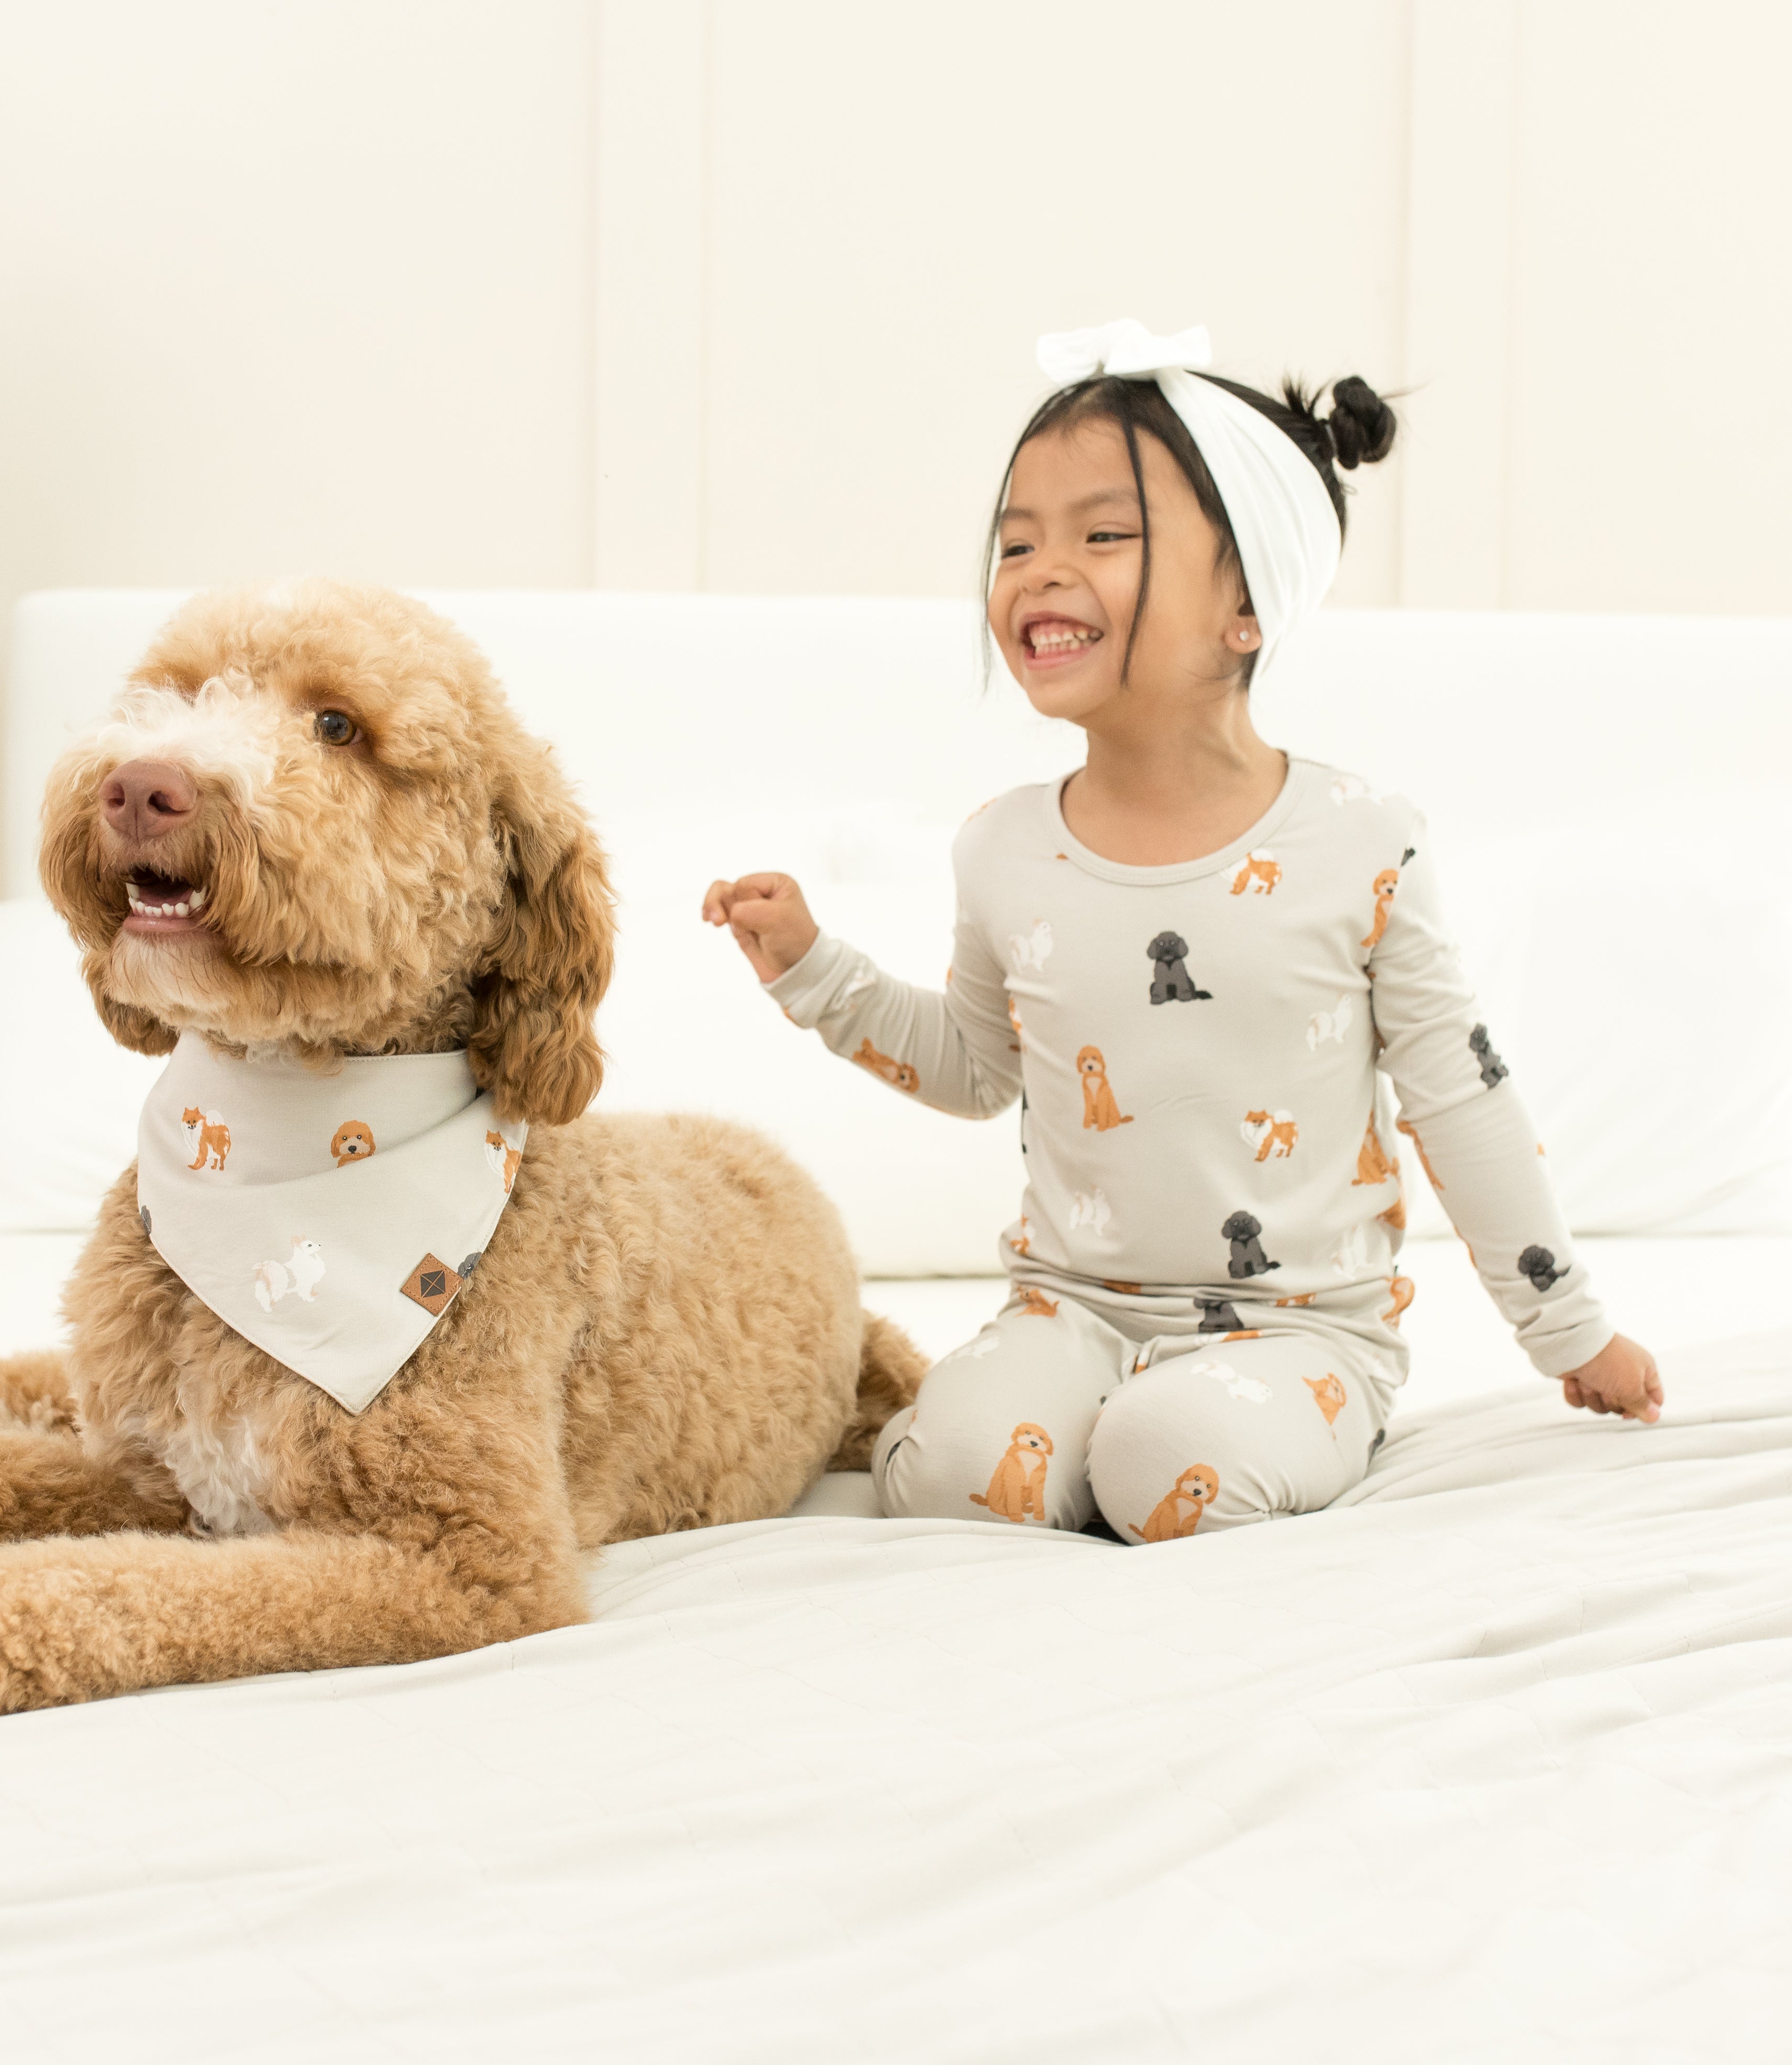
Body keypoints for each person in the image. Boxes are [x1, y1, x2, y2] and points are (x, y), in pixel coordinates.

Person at [701, 318, 1662, 1545]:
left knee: (1166, 1463)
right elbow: (980, 1069)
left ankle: (1263, 1419)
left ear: (1247, 609)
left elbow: (1459, 1100)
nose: (1041, 570)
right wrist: (817, 972)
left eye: (1103, 536)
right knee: (951, 1474)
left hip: (1301, 1329)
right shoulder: (1003, 847)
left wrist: (1570, 1332)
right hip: (1075, 1311)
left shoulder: (1364, 843)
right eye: (1016, 542)